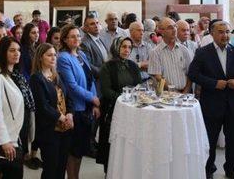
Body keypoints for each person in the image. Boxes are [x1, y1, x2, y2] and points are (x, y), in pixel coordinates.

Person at [188, 21, 234, 179]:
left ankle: (232, 171)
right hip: (211, 104)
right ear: (212, 33)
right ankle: (208, 170)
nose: (225, 35)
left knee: (233, 141)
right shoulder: (202, 52)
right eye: (221, 32)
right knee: (210, 141)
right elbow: (193, 74)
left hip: (233, 105)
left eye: (227, 32)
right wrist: (214, 83)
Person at [56, 24, 100, 179]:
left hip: (87, 107)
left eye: (78, 36)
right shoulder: (63, 58)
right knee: (73, 150)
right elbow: (72, 86)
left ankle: (76, 176)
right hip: (75, 109)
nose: (76, 39)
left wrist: (94, 103)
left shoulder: (81, 55)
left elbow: (90, 79)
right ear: (65, 40)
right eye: (72, 36)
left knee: (80, 149)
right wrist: (92, 98)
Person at [30, 43, 73, 179]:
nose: (53, 58)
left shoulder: (57, 75)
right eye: (49, 55)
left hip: (65, 129)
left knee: (61, 166)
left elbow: (68, 97)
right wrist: (61, 117)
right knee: (50, 168)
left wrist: (70, 115)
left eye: (55, 55)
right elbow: (42, 106)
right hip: (49, 130)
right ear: (40, 57)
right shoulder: (36, 78)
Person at [97, 37, 141, 172]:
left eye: (129, 47)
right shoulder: (107, 66)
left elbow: (138, 85)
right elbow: (105, 90)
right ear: (116, 47)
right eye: (123, 47)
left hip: (130, 110)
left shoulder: (133, 65)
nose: (126, 50)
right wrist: (123, 99)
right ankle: (109, 172)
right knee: (112, 142)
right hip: (112, 110)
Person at [0, 37, 26, 178]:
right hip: (3, 143)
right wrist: (4, 141)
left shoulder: (10, 76)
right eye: (12, 50)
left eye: (19, 50)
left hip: (14, 139)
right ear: (3, 53)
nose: (17, 53)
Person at [148, 17, 193, 93]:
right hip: (166, 95)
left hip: (185, 93)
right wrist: (174, 92)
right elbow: (158, 77)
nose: (174, 29)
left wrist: (185, 92)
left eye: (175, 26)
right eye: (170, 28)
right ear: (161, 31)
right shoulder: (155, 52)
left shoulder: (184, 50)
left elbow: (190, 73)